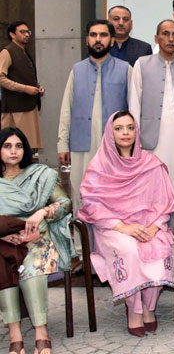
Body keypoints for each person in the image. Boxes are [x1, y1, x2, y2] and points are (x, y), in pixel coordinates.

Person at [79, 110, 174, 337]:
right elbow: (91, 204)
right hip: (113, 227)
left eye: (130, 127)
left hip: (148, 224)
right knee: (129, 250)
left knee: (161, 248)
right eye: (119, 128)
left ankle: (148, 307)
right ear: (109, 133)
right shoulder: (99, 166)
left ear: (137, 131)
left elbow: (166, 201)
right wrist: (124, 227)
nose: (125, 133)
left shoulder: (151, 163)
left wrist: (154, 226)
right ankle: (133, 309)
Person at [0, 127, 75, 354]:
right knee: (1, 263)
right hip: (3, 243)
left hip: (37, 240)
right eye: (7, 146)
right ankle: (15, 335)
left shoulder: (41, 175)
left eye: (19, 146)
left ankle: (41, 332)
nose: (14, 151)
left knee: (31, 266)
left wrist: (43, 212)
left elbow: (65, 204)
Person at [57, 20, 130, 217]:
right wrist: (62, 143)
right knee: (81, 194)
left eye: (104, 35)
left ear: (112, 41)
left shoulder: (125, 69)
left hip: (114, 148)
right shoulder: (77, 70)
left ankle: (111, 246)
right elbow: (66, 109)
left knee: (114, 196)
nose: (98, 39)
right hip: (82, 145)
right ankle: (82, 247)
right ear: (86, 40)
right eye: (93, 35)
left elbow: (134, 111)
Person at [129, 19, 174, 214]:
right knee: (152, 193)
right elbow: (134, 105)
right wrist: (135, 144)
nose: (170, 39)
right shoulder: (142, 64)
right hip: (151, 142)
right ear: (156, 38)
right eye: (165, 34)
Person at [0, 21, 43, 150]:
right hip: (15, 110)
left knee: (27, 147)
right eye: (22, 32)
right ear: (12, 35)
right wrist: (24, 88)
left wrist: (36, 89)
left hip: (28, 106)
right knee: (15, 146)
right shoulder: (7, 52)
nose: (26, 35)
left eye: (28, 32)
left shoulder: (23, 52)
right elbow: (1, 78)